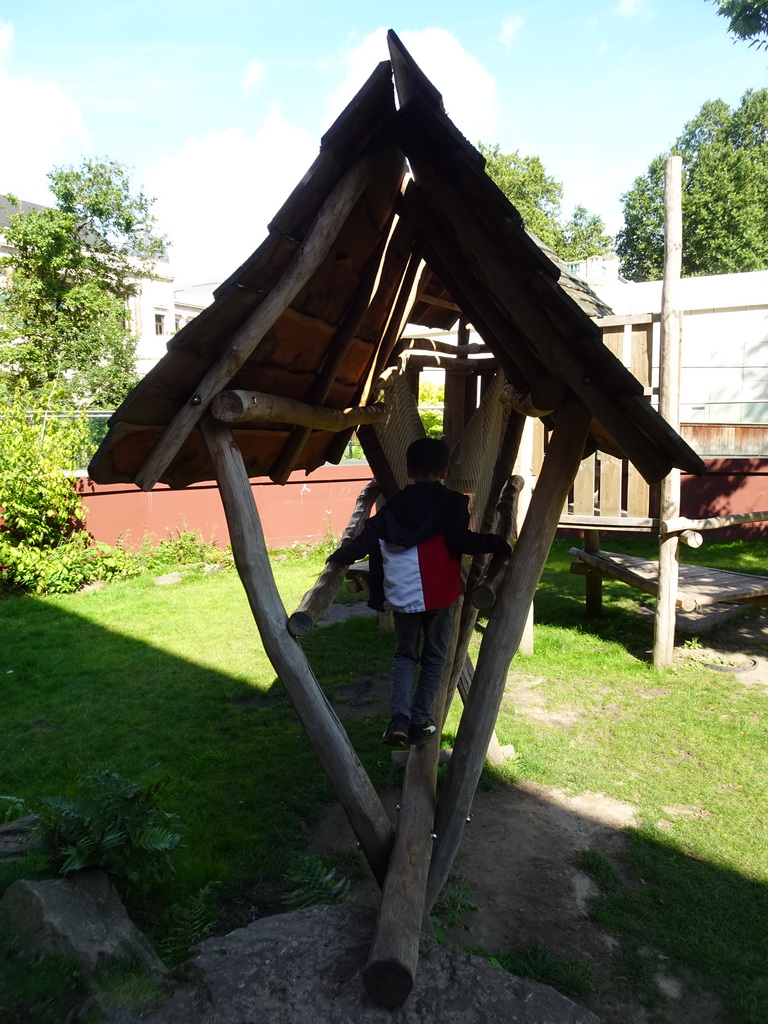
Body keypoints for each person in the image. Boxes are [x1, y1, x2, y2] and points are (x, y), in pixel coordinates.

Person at [327, 437, 511, 747]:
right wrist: (498, 544)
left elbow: (368, 538)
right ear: (444, 471)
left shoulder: (394, 505)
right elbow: (462, 542)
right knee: (435, 658)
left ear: (409, 470)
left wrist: (339, 557)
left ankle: (398, 718)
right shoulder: (452, 503)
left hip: (404, 595)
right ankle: (419, 720)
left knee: (404, 655)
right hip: (439, 595)